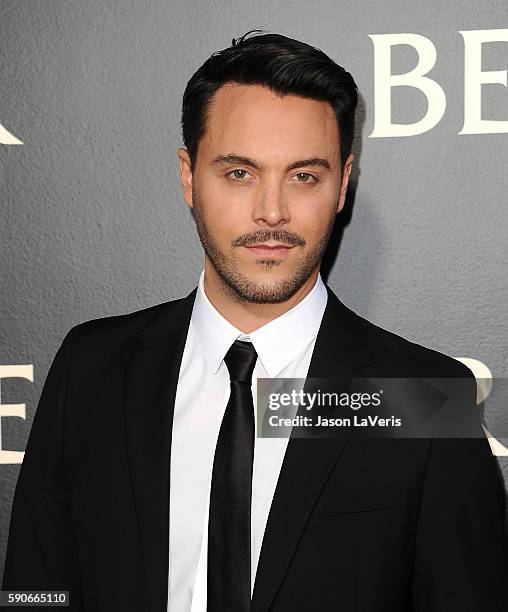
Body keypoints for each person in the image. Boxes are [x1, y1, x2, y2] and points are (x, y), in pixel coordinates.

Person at [2, 30, 507, 612]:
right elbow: (35, 589)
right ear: (189, 177)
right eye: (239, 173)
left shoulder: (419, 396)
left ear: (343, 184)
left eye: (304, 176)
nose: (272, 212)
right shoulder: (92, 366)